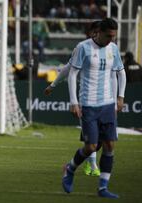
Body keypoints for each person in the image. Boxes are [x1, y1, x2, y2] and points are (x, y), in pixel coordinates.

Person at [62, 18, 126, 199]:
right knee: (91, 146)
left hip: (107, 104)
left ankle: (102, 188)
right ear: (99, 32)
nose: (111, 40)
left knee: (109, 145)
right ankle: (70, 168)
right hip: (88, 104)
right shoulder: (83, 48)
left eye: (114, 36)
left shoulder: (113, 49)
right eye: (108, 36)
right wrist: (74, 102)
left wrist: (120, 97)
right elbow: (73, 74)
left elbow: (120, 73)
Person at [44, 21, 102, 177]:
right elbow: (68, 69)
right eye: (94, 31)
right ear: (90, 33)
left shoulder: (108, 49)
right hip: (86, 98)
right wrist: (53, 85)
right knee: (91, 136)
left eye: (99, 31)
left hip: (104, 99)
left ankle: (87, 164)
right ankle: (92, 165)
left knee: (100, 138)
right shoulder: (81, 48)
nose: (97, 34)